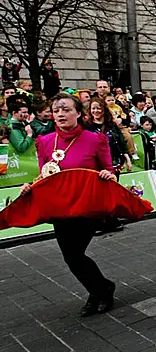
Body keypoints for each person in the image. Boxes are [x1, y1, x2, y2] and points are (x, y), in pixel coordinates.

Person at [20, 93, 118, 316]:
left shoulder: (95, 139)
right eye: (56, 110)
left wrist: (107, 174)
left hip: (86, 205)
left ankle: (100, 291)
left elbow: (110, 169)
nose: (60, 114)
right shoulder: (44, 142)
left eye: (65, 109)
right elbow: (44, 175)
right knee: (70, 256)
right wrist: (30, 187)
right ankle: (100, 289)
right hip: (60, 206)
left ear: (78, 114)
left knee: (75, 253)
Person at [88, 97, 132, 173]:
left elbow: (121, 142)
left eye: (98, 108)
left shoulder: (111, 125)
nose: (96, 111)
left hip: (114, 162)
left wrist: (128, 160)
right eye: (93, 108)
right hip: (96, 165)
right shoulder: (87, 127)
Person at [104, 93, 138, 160]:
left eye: (112, 100)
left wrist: (122, 117)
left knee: (128, 137)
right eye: (108, 100)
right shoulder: (105, 109)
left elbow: (123, 113)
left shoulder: (118, 107)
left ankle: (132, 152)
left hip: (121, 127)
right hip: (111, 127)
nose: (111, 102)